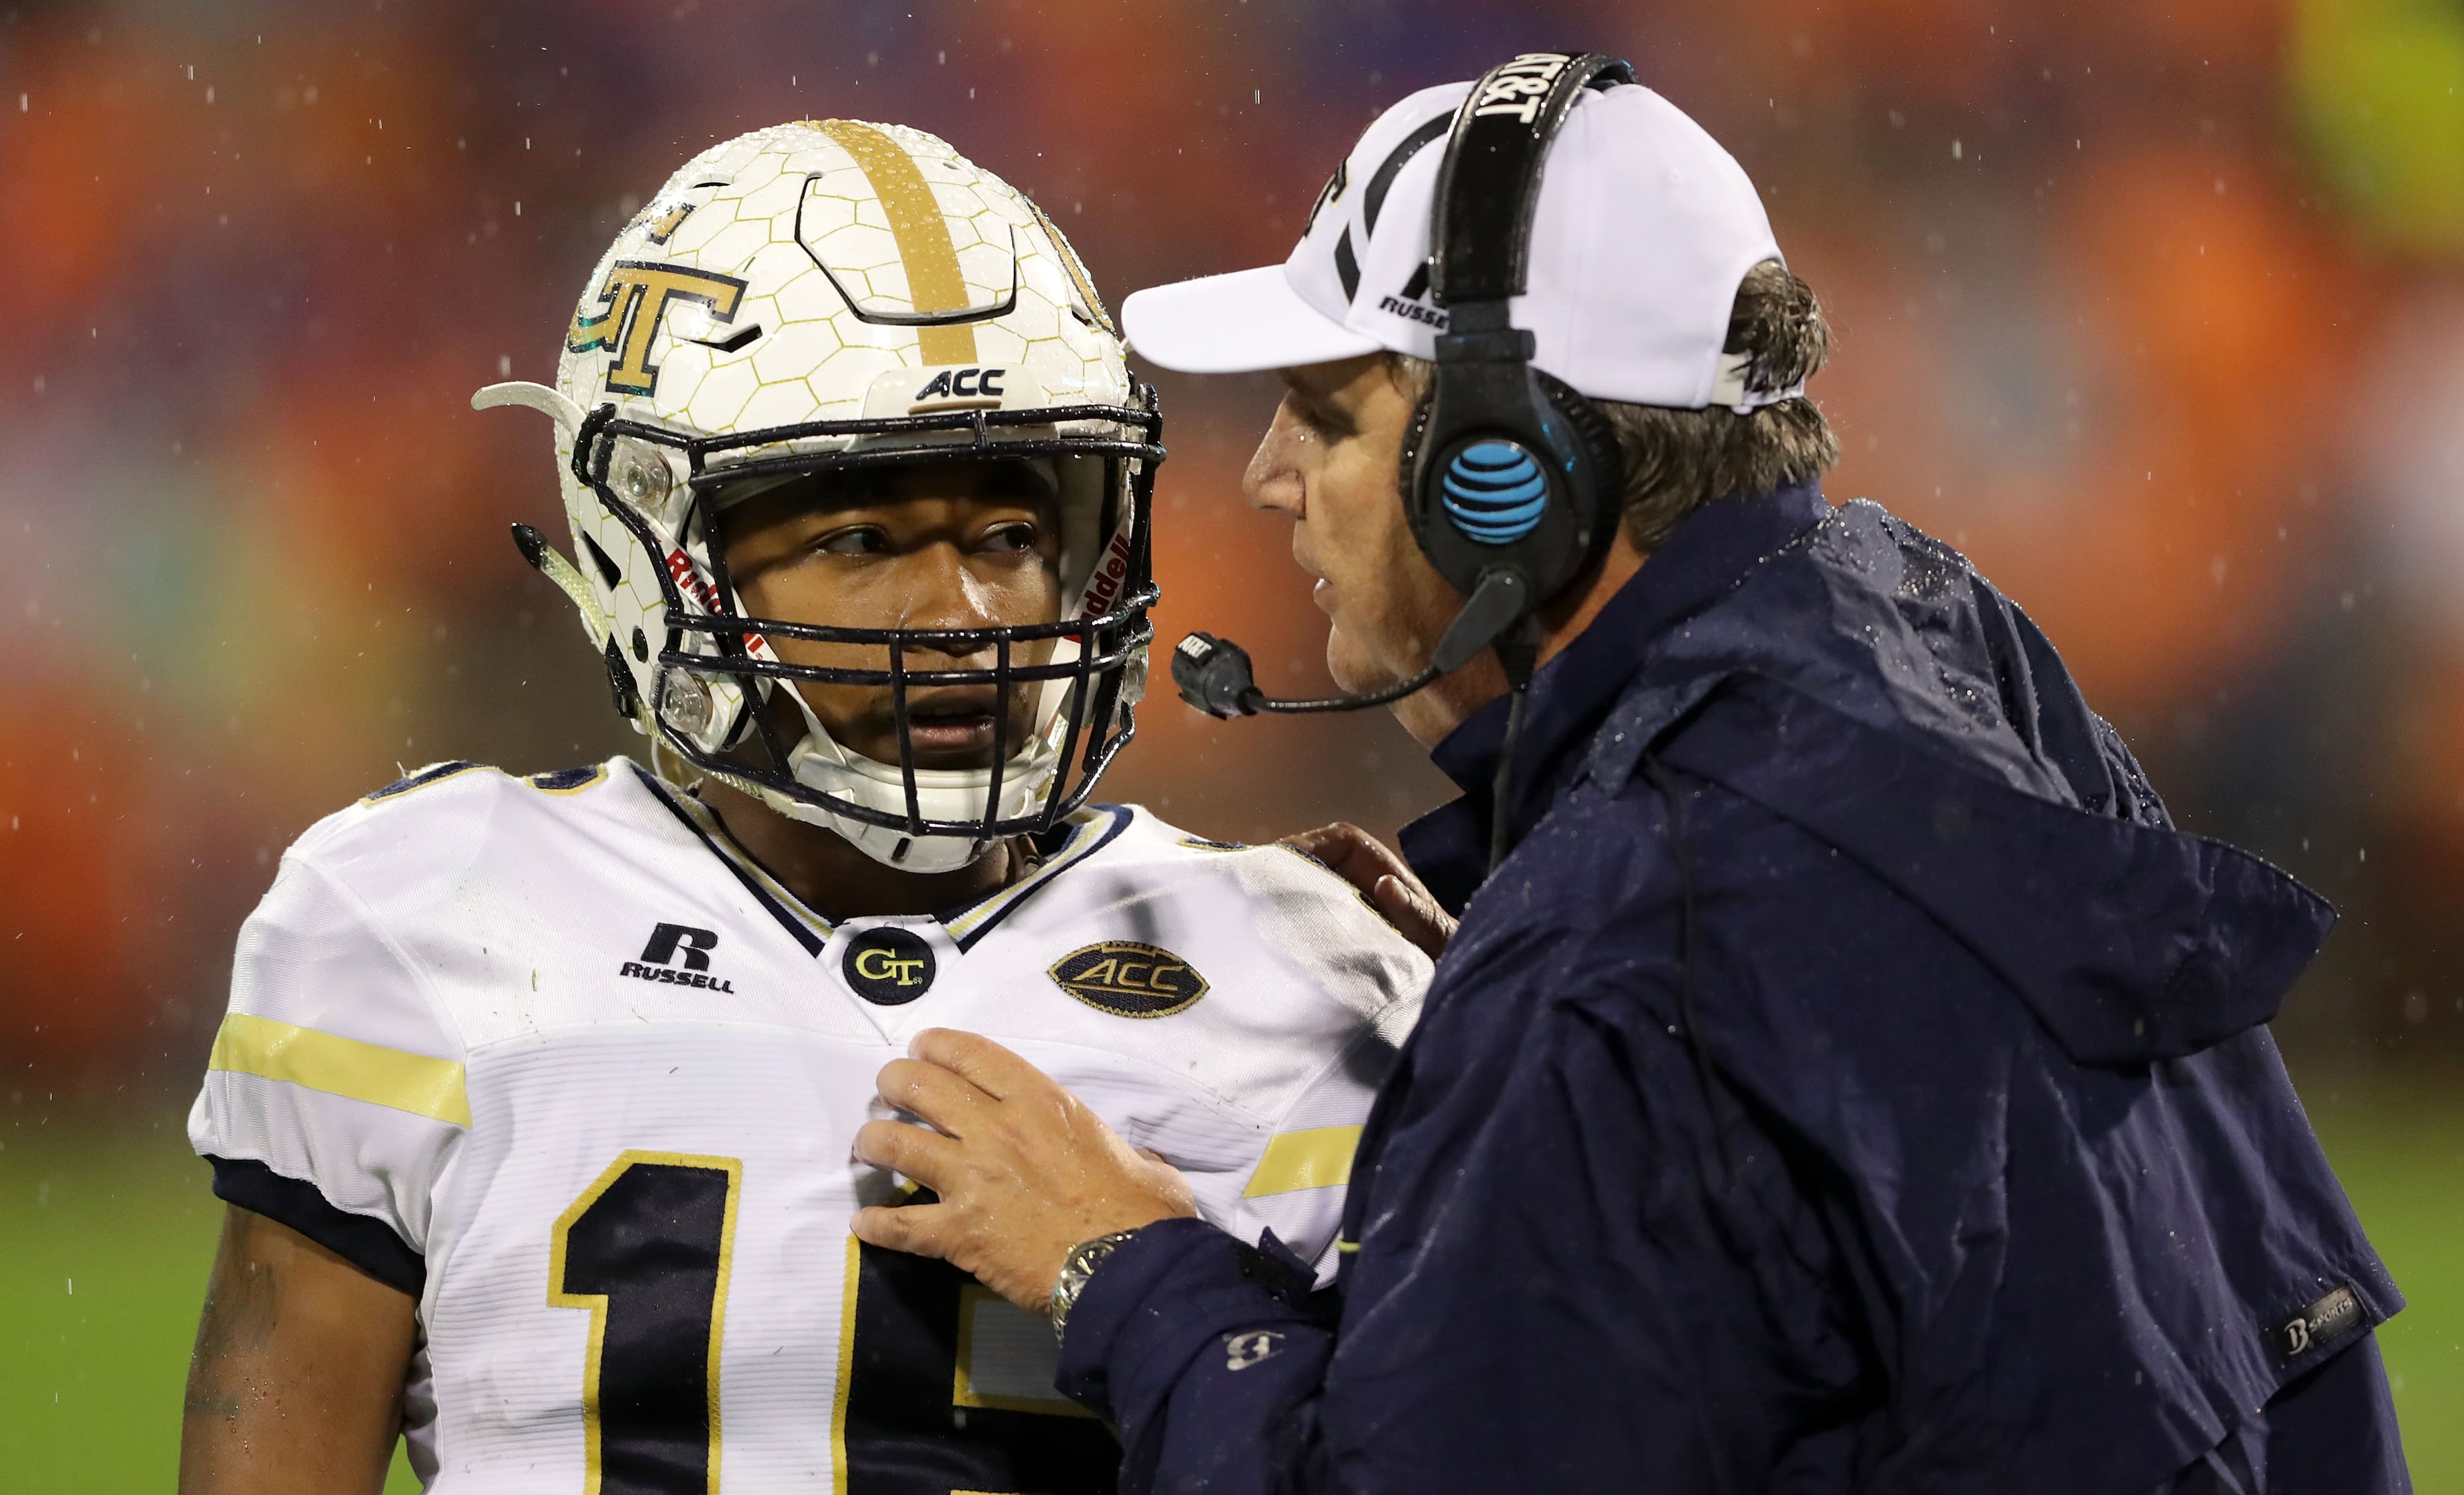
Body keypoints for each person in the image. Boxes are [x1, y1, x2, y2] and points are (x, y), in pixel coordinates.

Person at [847, 57, 2414, 1494]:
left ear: (1504, 480)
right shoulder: (1923, 632)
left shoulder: (1633, 937)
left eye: (1323, 413)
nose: (1260, 477)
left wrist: (1118, 1263)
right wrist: (1522, 945)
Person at [175, 119, 1429, 1494]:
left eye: (1009, 536)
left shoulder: (1310, 971)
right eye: (862, 540)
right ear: (660, 552)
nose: (960, 617)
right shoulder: (422, 914)